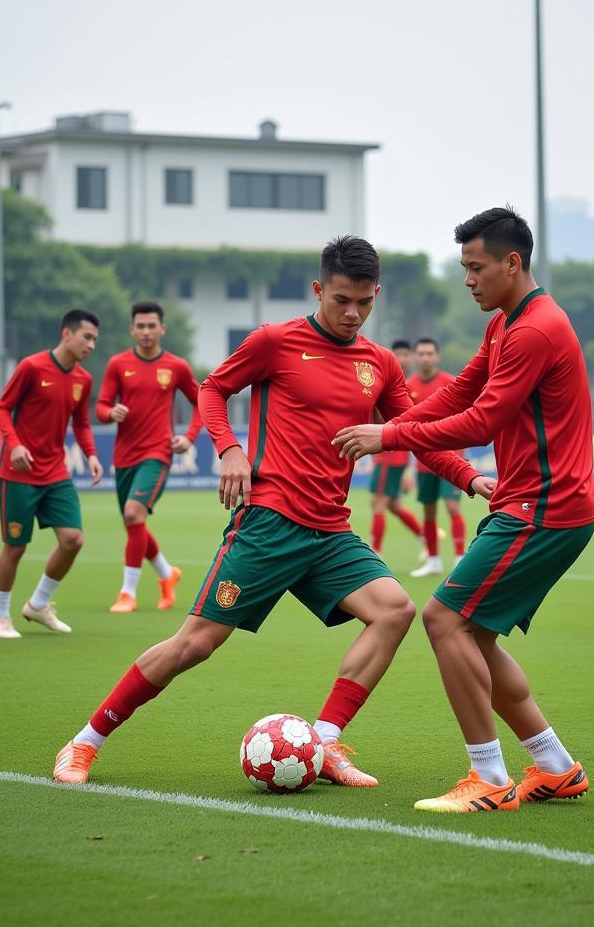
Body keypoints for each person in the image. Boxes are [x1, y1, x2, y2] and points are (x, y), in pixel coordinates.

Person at [53, 236, 490, 787]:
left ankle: (326, 743)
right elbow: (213, 390)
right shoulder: (275, 342)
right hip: (269, 524)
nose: (352, 313)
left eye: (363, 302)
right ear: (318, 290)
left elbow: (416, 434)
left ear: (376, 294)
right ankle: (84, 742)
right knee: (195, 645)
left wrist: (471, 478)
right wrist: (230, 448)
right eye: (339, 301)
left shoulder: (379, 363)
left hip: (330, 532)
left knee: (395, 611)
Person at [334, 206, 594, 814]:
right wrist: (395, 420)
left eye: (475, 267)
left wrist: (388, 438)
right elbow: (459, 392)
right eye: (463, 268)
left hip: (543, 508)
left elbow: (484, 419)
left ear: (513, 263)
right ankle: (555, 766)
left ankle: (488, 779)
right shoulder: (506, 324)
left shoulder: (534, 330)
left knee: (443, 619)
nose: (468, 279)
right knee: (472, 632)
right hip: (534, 503)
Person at [0, 309, 103, 639]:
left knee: (73, 539)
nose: (92, 344)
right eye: (87, 337)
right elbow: (2, 407)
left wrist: (92, 455)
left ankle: (38, 604)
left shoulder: (83, 379)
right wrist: (14, 445)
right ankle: (0, 617)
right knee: (15, 548)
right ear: (66, 334)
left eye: (95, 339)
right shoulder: (31, 367)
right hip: (19, 473)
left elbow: (81, 422)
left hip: (55, 471)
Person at [97, 301, 204, 613]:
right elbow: (101, 406)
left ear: (162, 329)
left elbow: (203, 402)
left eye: (151, 326)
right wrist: (110, 412)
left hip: (158, 453)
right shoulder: (118, 364)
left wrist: (189, 437)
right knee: (135, 524)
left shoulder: (176, 366)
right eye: (140, 326)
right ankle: (167, 574)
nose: (145, 331)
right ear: (132, 329)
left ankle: (127, 593)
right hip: (124, 456)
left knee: (133, 514)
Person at [407, 337, 467, 577]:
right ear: (415, 357)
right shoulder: (408, 386)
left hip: (451, 457)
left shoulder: (451, 383)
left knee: (452, 507)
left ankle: (461, 557)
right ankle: (433, 560)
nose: (425, 358)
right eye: (421, 354)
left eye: (429, 354)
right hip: (424, 460)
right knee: (429, 511)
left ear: (437, 357)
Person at [368, 340, 424, 555]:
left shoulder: (404, 388)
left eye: (404, 354)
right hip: (388, 454)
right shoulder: (390, 382)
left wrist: (409, 469)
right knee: (393, 506)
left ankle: (376, 552)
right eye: (397, 354)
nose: (401, 359)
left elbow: (411, 428)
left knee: (378, 503)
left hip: (390, 455)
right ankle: (425, 537)